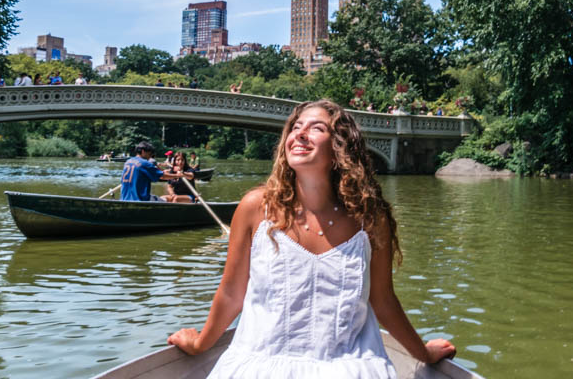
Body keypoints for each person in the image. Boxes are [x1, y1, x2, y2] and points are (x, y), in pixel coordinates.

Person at [167, 99, 456, 376]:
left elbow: (383, 301)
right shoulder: (255, 207)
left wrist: (423, 354)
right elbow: (231, 295)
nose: (300, 134)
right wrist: (200, 343)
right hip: (262, 365)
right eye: (295, 127)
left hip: (349, 366)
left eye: (316, 128)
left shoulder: (371, 218)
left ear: (339, 147)